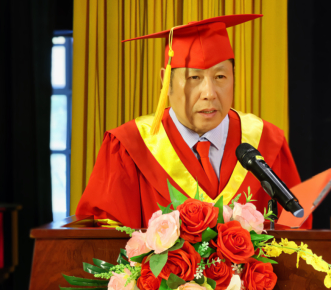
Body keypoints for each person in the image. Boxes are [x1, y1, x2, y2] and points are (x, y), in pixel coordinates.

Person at [76, 14, 311, 229]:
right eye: (194, 77)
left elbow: (298, 233)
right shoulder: (128, 146)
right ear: (166, 81)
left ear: (234, 77)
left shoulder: (266, 142)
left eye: (220, 76)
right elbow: (105, 242)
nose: (209, 93)